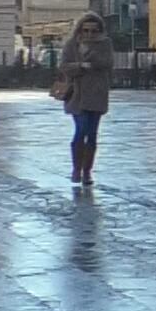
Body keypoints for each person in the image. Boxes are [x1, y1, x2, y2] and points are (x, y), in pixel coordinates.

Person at [58, 12, 115, 186]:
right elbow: (64, 67)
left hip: (97, 94)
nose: (90, 34)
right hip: (77, 94)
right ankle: (76, 168)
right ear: (80, 30)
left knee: (92, 133)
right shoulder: (71, 45)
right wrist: (81, 65)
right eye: (86, 30)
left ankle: (87, 171)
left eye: (94, 31)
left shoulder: (105, 44)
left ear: (99, 31)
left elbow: (108, 63)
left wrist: (91, 56)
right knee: (81, 129)